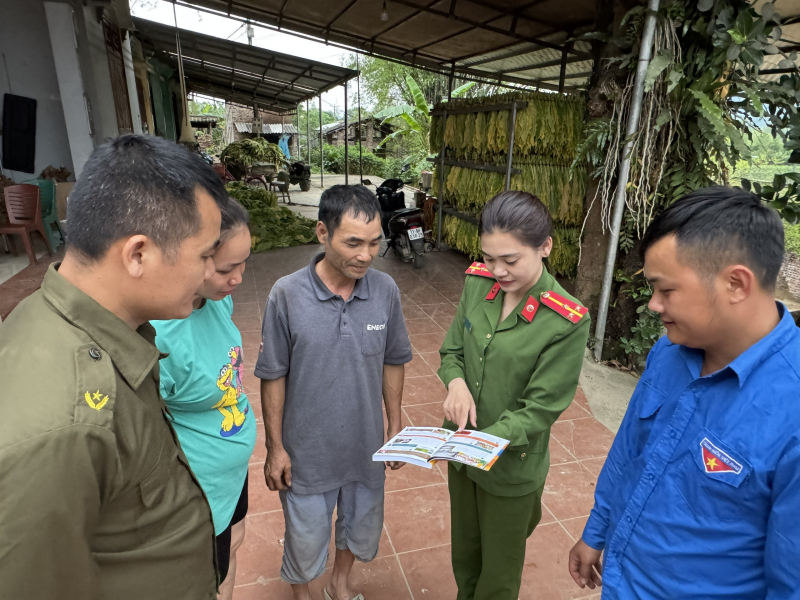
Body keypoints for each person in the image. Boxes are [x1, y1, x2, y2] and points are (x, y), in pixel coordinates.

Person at [0, 135, 227, 599]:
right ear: (138, 254)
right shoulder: (66, 425)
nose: (210, 273)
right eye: (204, 255)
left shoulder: (68, 318)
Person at [568, 187, 800, 598]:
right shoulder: (670, 350)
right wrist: (596, 530)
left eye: (666, 289)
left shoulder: (790, 410)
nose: (655, 305)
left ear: (735, 283)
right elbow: (629, 449)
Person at [255, 185, 413, 600]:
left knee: (358, 527)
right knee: (306, 537)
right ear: (322, 233)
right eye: (353, 243)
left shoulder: (385, 291)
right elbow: (272, 375)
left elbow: (394, 359)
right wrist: (275, 447)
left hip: (365, 446)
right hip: (307, 451)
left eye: (375, 242)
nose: (366, 254)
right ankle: (304, 592)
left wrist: (395, 424)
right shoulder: (286, 295)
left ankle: (340, 585)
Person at [438, 191, 591, 600]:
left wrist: (484, 441)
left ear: (545, 247)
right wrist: (456, 384)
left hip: (510, 465)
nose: (498, 271)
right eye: (489, 258)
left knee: (498, 577)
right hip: (461, 451)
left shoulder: (565, 319)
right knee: (465, 557)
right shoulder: (477, 283)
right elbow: (452, 352)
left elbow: (541, 409)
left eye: (511, 260)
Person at [152, 198, 256, 600]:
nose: (239, 278)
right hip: (200, 488)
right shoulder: (161, 338)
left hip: (231, 472)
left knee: (236, 541)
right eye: (227, 268)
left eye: (245, 262)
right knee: (207, 577)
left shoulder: (216, 299)